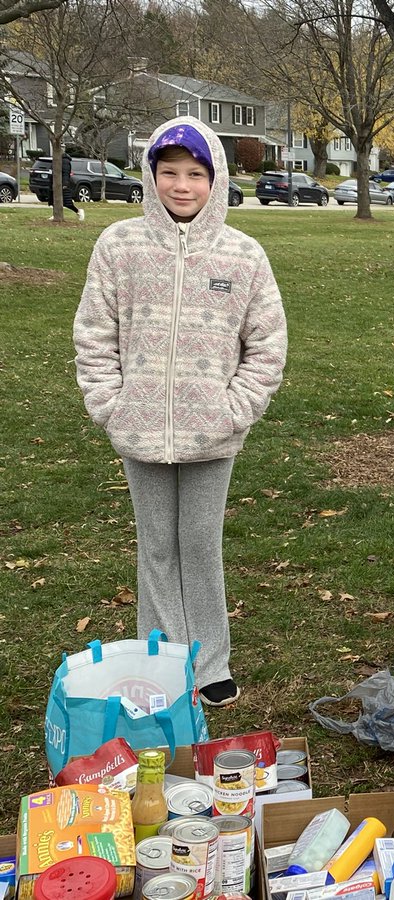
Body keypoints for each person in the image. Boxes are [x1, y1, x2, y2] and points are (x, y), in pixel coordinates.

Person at [73, 116, 288, 707]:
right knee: (157, 548)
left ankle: (211, 660)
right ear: (151, 175)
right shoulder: (120, 245)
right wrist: (110, 405)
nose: (182, 185)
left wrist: (235, 408)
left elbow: (267, 341)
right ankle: (163, 661)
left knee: (199, 544)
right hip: (139, 430)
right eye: (169, 173)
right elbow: (95, 331)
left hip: (211, 434)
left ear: (215, 179)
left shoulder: (243, 255)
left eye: (195, 174)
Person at [54, 153, 84, 222]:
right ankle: (56, 214)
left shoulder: (64, 161)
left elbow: (65, 173)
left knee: (67, 202)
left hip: (63, 184)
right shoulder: (57, 160)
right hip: (57, 184)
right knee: (54, 200)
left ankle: (78, 211)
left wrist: (65, 184)